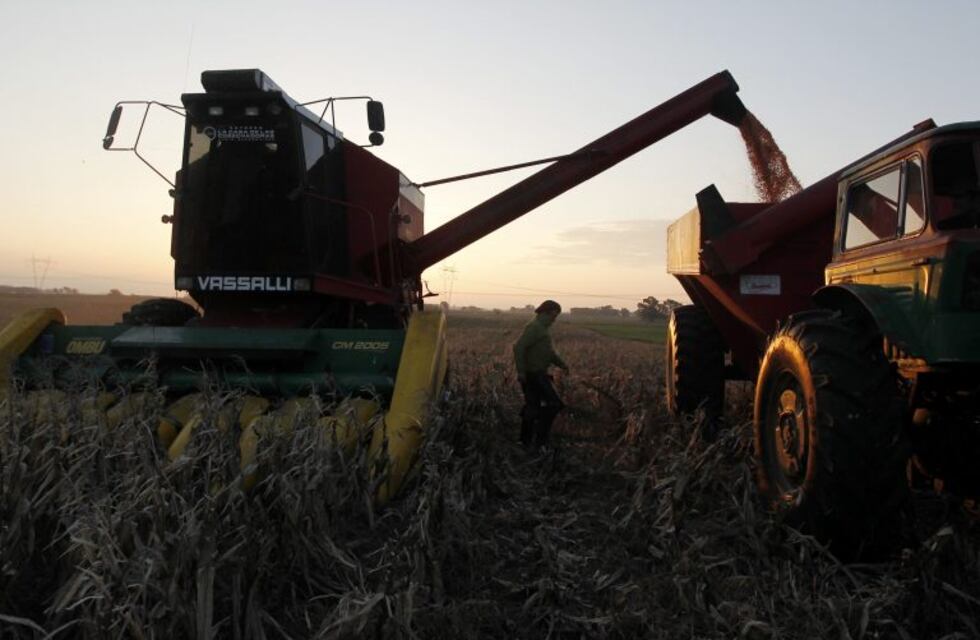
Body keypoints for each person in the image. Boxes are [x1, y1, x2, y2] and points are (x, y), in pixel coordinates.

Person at [513, 299, 569, 449]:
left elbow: (549, 354)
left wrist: (562, 365)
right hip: (533, 375)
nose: (554, 320)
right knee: (554, 405)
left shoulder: (542, 329)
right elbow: (518, 348)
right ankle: (540, 440)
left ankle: (526, 441)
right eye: (553, 316)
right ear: (545, 313)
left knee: (533, 406)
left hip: (539, 374)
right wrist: (521, 372)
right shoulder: (534, 328)